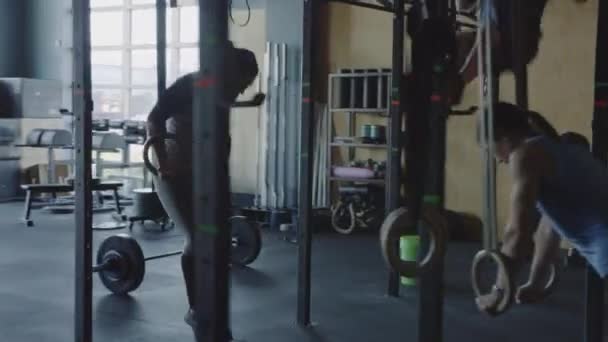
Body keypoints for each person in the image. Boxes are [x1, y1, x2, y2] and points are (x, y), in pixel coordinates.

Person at [146, 42, 259, 335]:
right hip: (172, 174)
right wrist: (161, 162)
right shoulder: (192, 83)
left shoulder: (221, 93)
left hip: (205, 177)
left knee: (214, 240)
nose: (242, 91)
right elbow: (154, 117)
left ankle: (208, 308)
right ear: (230, 73)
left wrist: (250, 103)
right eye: (242, 84)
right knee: (198, 241)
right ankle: (196, 310)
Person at [475, 102, 608, 314]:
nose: (497, 160)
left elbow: (517, 234)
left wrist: (499, 292)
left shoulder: (525, 155)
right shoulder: (558, 147)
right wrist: (535, 282)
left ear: (503, 136)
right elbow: (549, 227)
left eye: (489, 149)